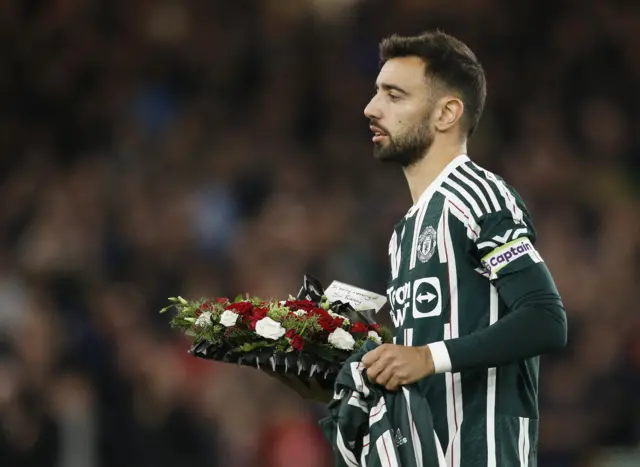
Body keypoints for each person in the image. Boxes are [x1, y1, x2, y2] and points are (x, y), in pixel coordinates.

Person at [359, 30, 568, 467]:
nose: (371, 108)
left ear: (447, 113)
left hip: (485, 451)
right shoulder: (404, 232)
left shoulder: (477, 195)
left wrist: (426, 357)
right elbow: (417, 365)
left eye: (394, 95)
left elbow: (546, 318)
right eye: (377, 92)